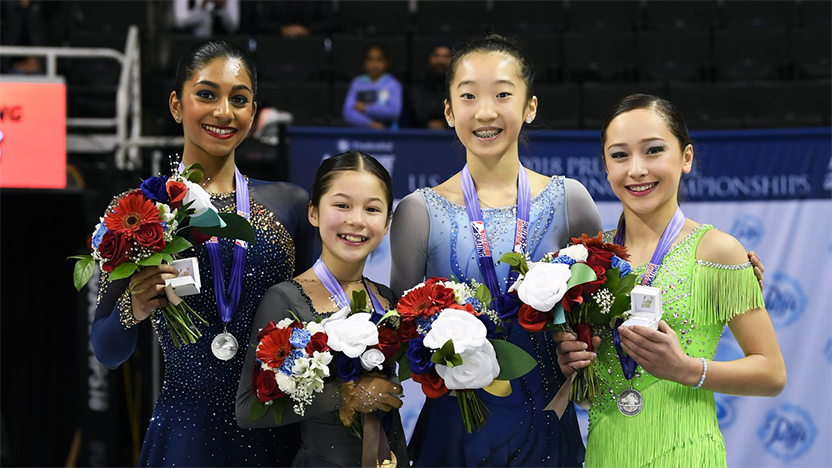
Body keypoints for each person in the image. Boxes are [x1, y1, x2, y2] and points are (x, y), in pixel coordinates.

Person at [90, 40, 316, 467]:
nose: (224, 112)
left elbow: (317, 320)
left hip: (272, 429)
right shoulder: (138, 213)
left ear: (253, 111)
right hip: (185, 433)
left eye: (239, 99)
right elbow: (107, 350)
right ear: (177, 105)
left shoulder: (289, 205)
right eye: (207, 94)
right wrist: (133, 307)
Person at [390, 35, 601, 467]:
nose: (485, 111)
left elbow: (600, 311)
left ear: (530, 107)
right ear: (449, 112)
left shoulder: (570, 200)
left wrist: (581, 348)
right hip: (455, 431)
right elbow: (401, 335)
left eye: (503, 94)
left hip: (546, 424)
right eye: (468, 96)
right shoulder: (417, 212)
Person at [555, 94, 785, 467]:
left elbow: (772, 373)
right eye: (620, 155)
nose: (637, 169)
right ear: (605, 166)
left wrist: (687, 369)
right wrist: (572, 364)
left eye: (653, 151)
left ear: (686, 157)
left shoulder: (718, 251)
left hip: (688, 451)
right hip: (605, 451)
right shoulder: (588, 258)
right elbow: (587, 386)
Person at [237, 151, 409, 467]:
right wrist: (341, 395)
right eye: (342, 205)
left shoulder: (388, 300)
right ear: (314, 212)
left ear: (386, 224)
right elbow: (247, 410)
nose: (356, 220)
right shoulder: (285, 299)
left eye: (372, 209)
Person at [342, 45, 402, 130]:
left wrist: (365, 108)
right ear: (365, 62)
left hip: (388, 134)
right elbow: (347, 113)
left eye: (379, 60)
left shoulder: (393, 84)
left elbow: (394, 112)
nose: (374, 64)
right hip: (360, 134)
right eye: (370, 60)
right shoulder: (357, 83)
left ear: (387, 63)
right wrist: (370, 124)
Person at [408, 44, 452, 129]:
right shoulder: (417, 87)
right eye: (436, 56)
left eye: (446, 56)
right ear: (429, 58)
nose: (440, 60)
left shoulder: (460, 87)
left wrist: (444, 124)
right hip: (419, 134)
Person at [173, 0, 240, 38]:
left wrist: (222, 7)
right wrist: (203, 7)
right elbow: (180, 22)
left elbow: (233, 27)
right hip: (190, 45)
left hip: (219, 47)